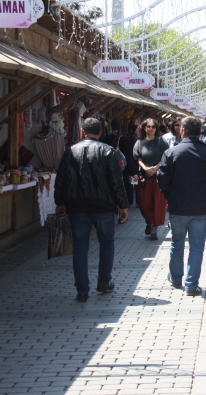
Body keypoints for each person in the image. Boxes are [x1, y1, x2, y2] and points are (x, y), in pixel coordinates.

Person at [54, 118, 129, 303]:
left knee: (80, 248)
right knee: (106, 243)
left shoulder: (70, 151)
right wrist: (123, 205)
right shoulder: (108, 151)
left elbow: (60, 179)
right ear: (100, 132)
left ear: (82, 131)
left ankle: (82, 290)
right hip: (103, 206)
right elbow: (116, 181)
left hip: (77, 206)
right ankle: (104, 281)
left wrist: (60, 201)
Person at [158, 117, 206, 296]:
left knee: (177, 243)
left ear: (182, 130)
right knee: (197, 247)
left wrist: (170, 195)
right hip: (200, 207)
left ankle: (176, 278)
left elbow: (162, 178)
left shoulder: (171, 153)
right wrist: (204, 194)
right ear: (200, 132)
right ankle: (191, 285)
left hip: (178, 207)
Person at [133, 118, 169, 240]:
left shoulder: (161, 141)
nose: (151, 129)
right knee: (144, 204)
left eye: (153, 126)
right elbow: (138, 158)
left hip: (158, 177)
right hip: (145, 177)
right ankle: (149, 222)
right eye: (148, 126)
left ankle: (154, 230)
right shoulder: (139, 143)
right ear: (144, 128)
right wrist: (146, 168)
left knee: (158, 204)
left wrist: (154, 168)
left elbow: (165, 156)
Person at [102, 118, 135, 207]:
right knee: (123, 186)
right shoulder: (124, 140)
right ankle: (124, 204)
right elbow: (128, 157)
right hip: (122, 169)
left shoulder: (105, 140)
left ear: (111, 127)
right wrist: (132, 172)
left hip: (109, 168)